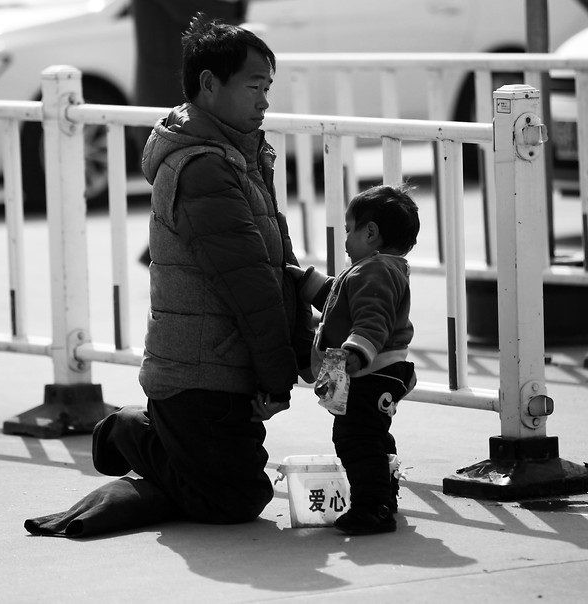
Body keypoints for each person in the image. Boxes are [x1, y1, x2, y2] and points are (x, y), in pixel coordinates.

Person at [24, 15, 313, 538]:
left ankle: (157, 441)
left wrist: (302, 342)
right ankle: (131, 431)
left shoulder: (242, 155)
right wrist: (277, 375)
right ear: (208, 85)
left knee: (235, 489)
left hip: (226, 364)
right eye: (254, 87)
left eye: (268, 88)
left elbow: (274, 261)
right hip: (198, 375)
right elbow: (248, 284)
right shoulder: (204, 168)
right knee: (236, 499)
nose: (265, 101)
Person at [289, 184, 419, 536]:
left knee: (356, 439)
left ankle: (372, 507)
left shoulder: (374, 272)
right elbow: (340, 300)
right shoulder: (375, 269)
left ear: (371, 232)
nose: (345, 239)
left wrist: (355, 353)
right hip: (380, 374)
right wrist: (305, 282)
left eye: (349, 230)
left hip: (371, 371)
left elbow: (371, 319)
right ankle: (384, 496)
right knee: (372, 436)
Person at [132, 0, 249, 266]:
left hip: (177, 81)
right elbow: (196, 10)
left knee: (192, 175)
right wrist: (235, 7)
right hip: (177, 85)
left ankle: (164, 247)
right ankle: (167, 248)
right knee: (195, 170)